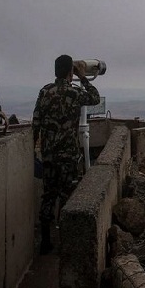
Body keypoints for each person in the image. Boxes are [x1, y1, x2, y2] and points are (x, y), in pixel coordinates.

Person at [32, 54, 100, 254]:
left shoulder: (45, 92)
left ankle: (45, 241)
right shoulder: (75, 93)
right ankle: (66, 243)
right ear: (71, 72)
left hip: (49, 155)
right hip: (68, 155)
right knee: (67, 197)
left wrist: (35, 151)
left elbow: (36, 122)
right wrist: (83, 77)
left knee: (48, 195)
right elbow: (95, 98)